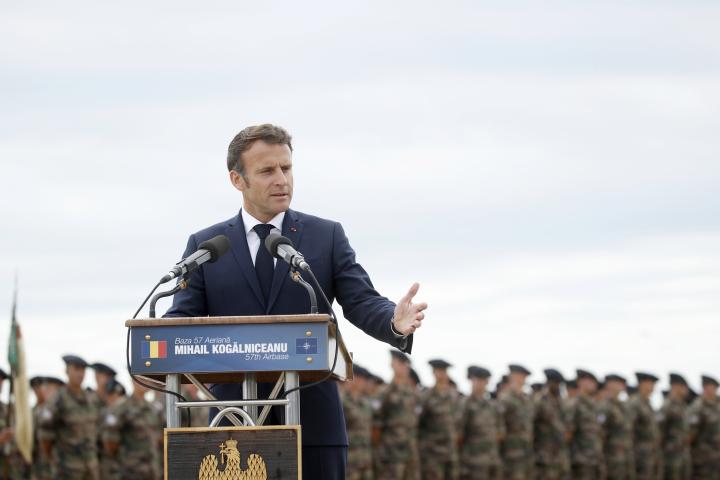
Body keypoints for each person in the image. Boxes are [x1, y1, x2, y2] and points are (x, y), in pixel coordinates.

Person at [164, 124, 427, 479]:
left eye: (286, 168)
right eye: (267, 171)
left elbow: (361, 299)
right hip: (234, 430)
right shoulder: (207, 246)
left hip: (313, 426)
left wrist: (393, 321)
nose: (281, 180)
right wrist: (156, 338)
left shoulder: (324, 236)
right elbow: (180, 320)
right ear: (237, 180)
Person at [38, 355, 100, 480]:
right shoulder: (58, 399)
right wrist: (54, 459)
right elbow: (45, 436)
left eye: (83, 370)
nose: (80, 374)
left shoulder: (91, 399)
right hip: (66, 469)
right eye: (76, 369)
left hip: (90, 469)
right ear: (67, 371)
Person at [373, 350, 421, 480]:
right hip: (390, 452)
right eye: (401, 364)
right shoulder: (384, 392)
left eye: (406, 365)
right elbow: (376, 423)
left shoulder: (414, 393)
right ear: (393, 365)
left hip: (410, 451)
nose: (405, 368)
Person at [102, 380, 162, 480]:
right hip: (130, 472)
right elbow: (110, 443)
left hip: (152, 471)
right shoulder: (122, 407)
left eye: (147, 378)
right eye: (142, 378)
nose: (146, 382)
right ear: (134, 380)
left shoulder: (152, 408)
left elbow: (160, 438)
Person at [458, 366, 503, 480]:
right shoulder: (465, 404)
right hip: (473, 461)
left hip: (492, 460)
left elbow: (500, 432)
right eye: (477, 380)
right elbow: (458, 436)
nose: (480, 384)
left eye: (483, 381)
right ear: (471, 381)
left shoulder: (492, 405)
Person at [418, 359, 458, 480]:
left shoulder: (453, 395)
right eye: (439, 371)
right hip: (432, 453)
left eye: (444, 371)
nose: (442, 375)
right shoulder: (426, 396)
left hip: (450, 451)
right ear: (433, 373)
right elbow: (418, 423)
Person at [498, 364, 534, 480]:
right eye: (520, 376)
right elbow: (499, 428)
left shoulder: (526, 399)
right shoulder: (505, 399)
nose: (523, 379)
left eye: (524, 377)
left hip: (526, 452)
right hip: (511, 454)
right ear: (512, 377)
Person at [567, 369, 603, 480]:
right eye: (591, 382)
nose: (594, 385)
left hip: (594, 460)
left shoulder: (593, 405)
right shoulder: (574, 404)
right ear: (581, 382)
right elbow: (568, 434)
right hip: (580, 461)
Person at [533, 368, 567, 480]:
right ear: (549, 383)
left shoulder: (560, 402)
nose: (558, 386)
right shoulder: (540, 401)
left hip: (559, 454)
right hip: (544, 454)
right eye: (556, 383)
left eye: (559, 384)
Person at [342, 365, 374, 480]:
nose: (364, 383)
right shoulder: (342, 401)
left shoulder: (366, 402)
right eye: (361, 379)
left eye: (364, 380)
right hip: (350, 458)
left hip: (365, 458)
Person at [628, 372, 662, 480]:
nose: (652, 387)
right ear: (642, 384)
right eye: (650, 384)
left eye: (653, 385)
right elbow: (628, 429)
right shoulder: (634, 403)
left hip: (650, 454)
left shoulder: (647, 404)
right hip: (639, 455)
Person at [599, 374, 634, 480]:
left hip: (625, 457)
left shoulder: (623, 406)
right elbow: (600, 434)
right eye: (618, 383)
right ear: (609, 385)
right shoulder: (604, 406)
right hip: (611, 458)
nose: (622, 386)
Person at [688, 375, 720, 479]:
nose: (712, 391)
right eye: (709, 388)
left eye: (714, 388)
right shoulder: (698, 407)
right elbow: (690, 435)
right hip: (702, 457)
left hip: (716, 456)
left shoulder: (717, 405)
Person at [659, 373, 690, 480]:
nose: (686, 390)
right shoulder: (667, 406)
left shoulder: (683, 406)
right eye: (683, 387)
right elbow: (659, 432)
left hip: (682, 454)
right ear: (675, 387)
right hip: (670, 456)